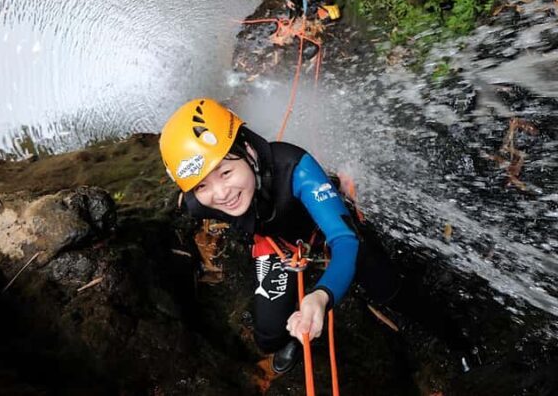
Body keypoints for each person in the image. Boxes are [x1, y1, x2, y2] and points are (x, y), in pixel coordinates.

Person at [159, 98, 401, 375]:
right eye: (202, 185)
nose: (221, 194)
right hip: (276, 244)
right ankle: (292, 339)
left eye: (225, 172)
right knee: (269, 338)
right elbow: (188, 200)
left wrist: (321, 295)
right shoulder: (198, 203)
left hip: (322, 229)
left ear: (249, 150)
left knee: (389, 291)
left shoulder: (295, 168)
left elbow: (345, 240)